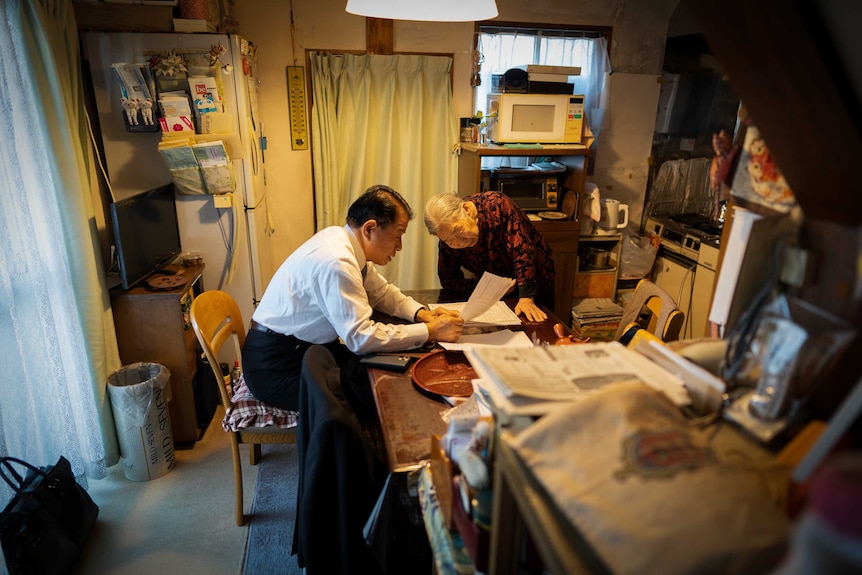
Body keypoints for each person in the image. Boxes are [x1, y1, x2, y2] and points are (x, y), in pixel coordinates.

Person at [242, 184, 463, 417]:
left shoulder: (344, 240)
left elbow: (381, 293)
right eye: (398, 236)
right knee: (381, 395)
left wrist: (421, 314)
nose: (399, 247)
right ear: (370, 228)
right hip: (276, 365)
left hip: (304, 349)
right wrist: (430, 331)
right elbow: (360, 338)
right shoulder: (336, 260)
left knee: (389, 369)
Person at [424, 191, 555, 322]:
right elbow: (448, 278)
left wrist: (526, 297)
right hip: (497, 292)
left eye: (458, 231)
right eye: (448, 240)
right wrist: (487, 289)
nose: (458, 242)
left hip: (532, 282)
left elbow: (522, 250)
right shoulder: (446, 234)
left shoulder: (497, 205)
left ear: (467, 210)